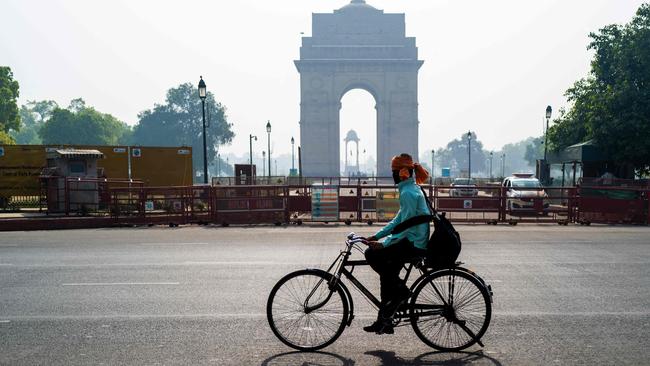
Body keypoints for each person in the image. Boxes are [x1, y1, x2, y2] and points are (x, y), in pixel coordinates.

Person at [363, 153, 431, 334]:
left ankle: (401, 292)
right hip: (412, 239)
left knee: (371, 255)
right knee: (386, 275)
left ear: (402, 172)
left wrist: (384, 244)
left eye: (393, 171)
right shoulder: (410, 189)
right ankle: (385, 319)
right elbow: (399, 221)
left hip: (413, 242)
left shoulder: (408, 193)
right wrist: (377, 236)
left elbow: (406, 227)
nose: (392, 175)